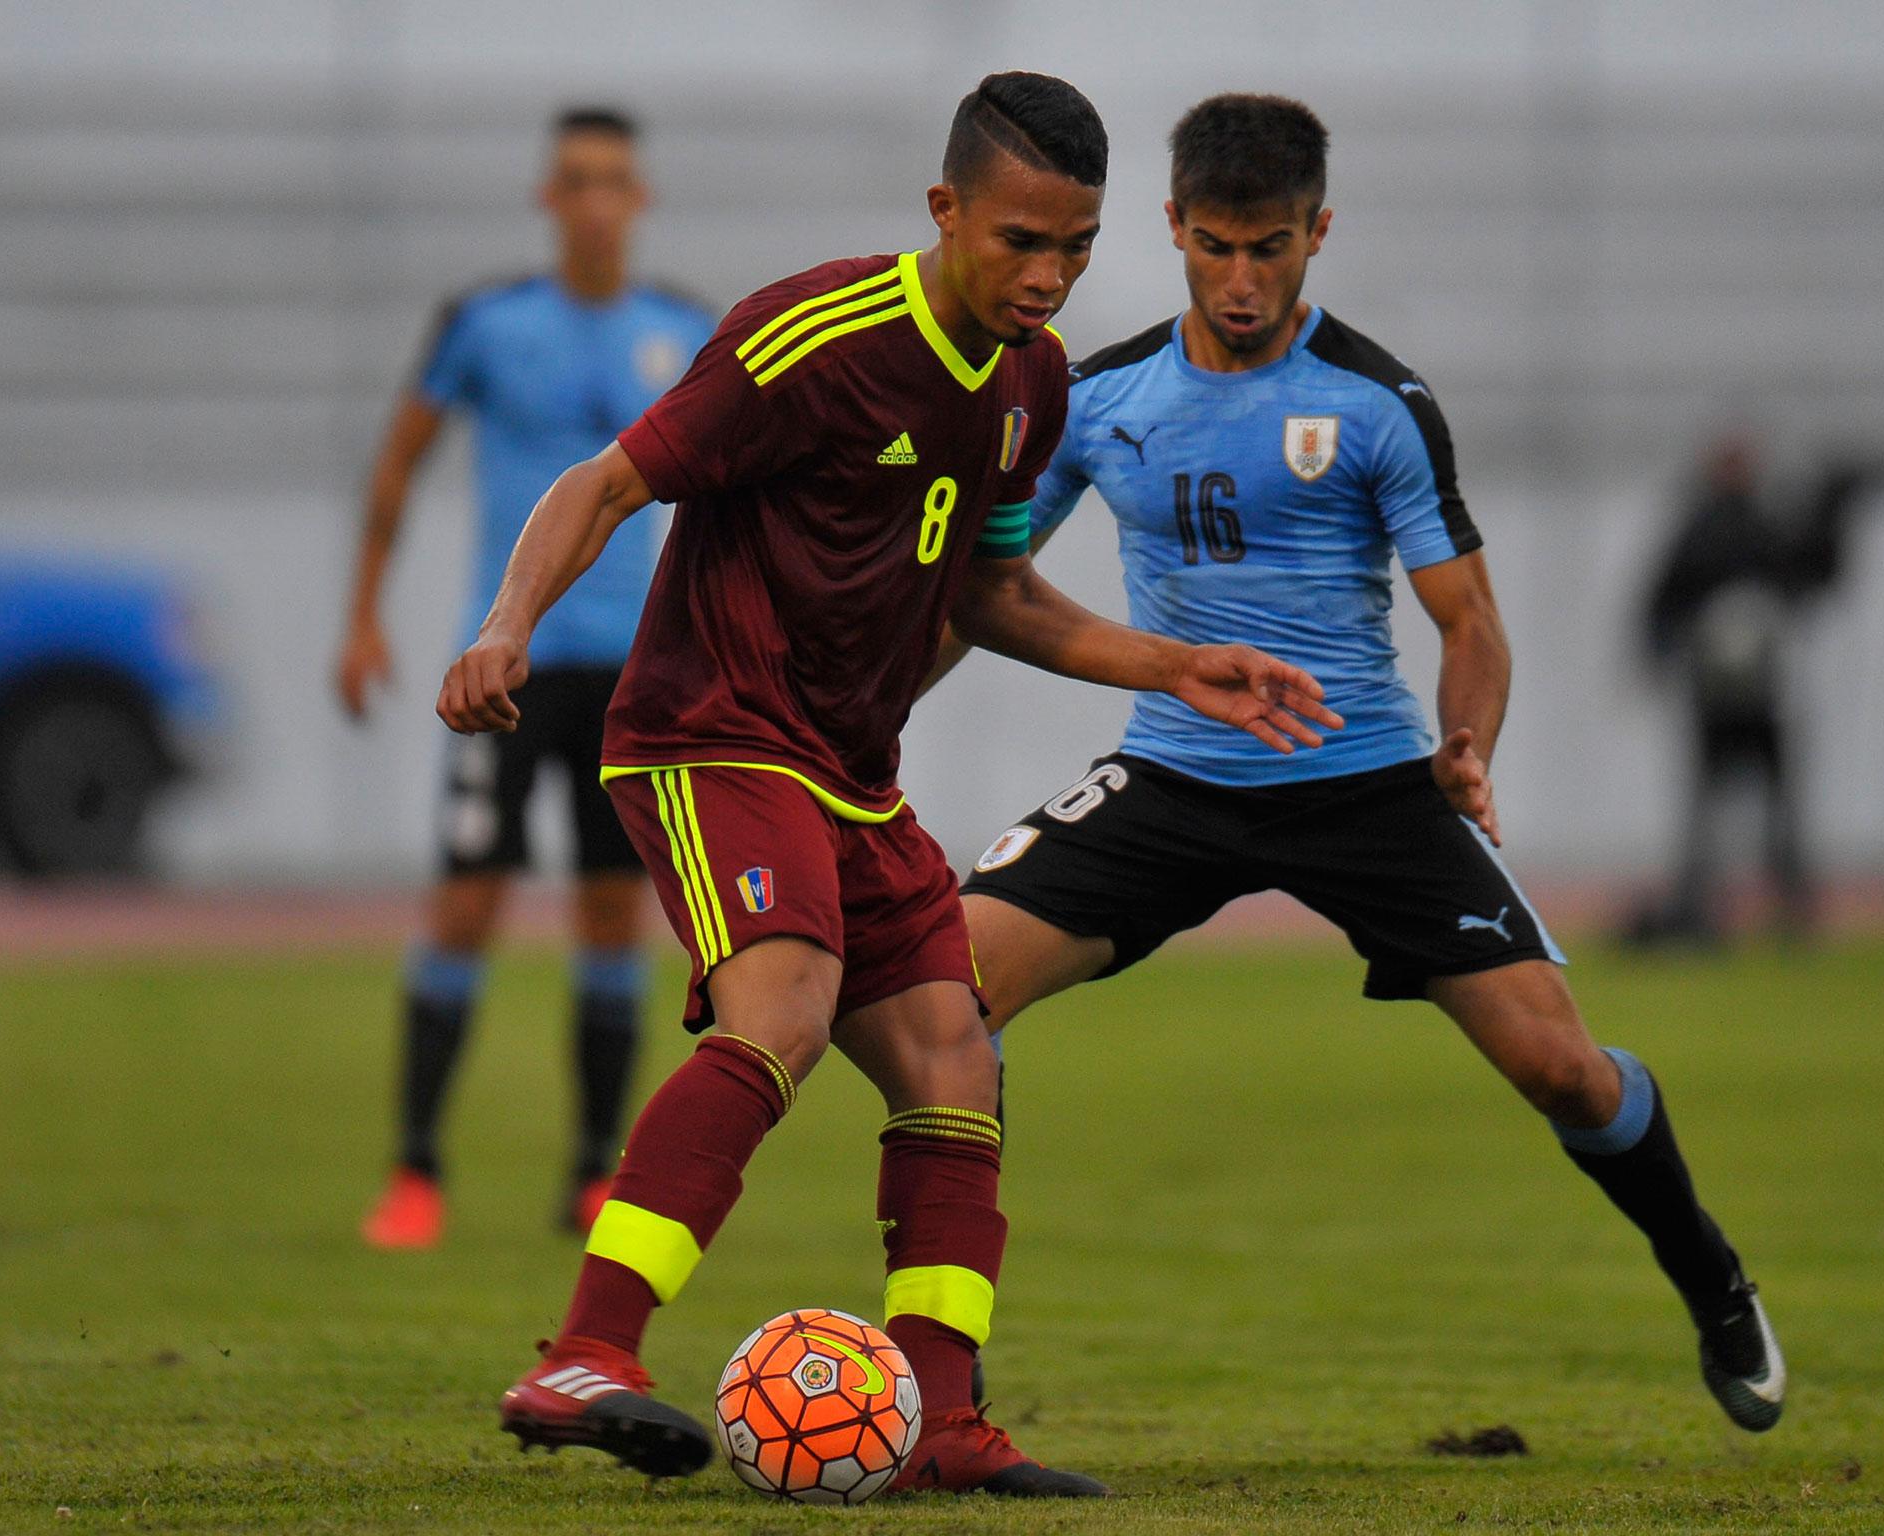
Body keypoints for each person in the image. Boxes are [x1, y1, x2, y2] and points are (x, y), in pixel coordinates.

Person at [436, 73, 1340, 1497]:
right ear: (946, 211)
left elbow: (994, 596)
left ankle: (941, 1422)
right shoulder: (813, 333)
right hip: (708, 733)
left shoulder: (1031, 386)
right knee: (783, 1012)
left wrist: (1173, 665)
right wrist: (504, 627)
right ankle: (584, 1353)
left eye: (1077, 247)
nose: (1046, 276)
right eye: (1019, 240)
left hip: (850, 778)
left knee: (952, 1057)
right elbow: (602, 483)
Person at [941, 94, 1787, 1436]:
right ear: (1170, 227)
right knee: (947, 991)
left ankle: (1713, 1278)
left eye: (1269, 248)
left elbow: (1470, 621)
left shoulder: (1380, 404)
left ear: (1318, 232)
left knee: (1564, 1073)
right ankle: (940, 1366)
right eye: (1215, 246)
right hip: (1176, 773)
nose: (1239, 280)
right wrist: (863, 712)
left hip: (1366, 783)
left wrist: (1469, 744)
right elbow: (984, 587)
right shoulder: (1094, 396)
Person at [336, 107, 719, 1248]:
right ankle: (416, 1172)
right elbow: (400, 462)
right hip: (504, 665)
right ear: (548, 199)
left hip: (631, 675)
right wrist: (362, 616)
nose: (596, 199)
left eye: (614, 180)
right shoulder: (489, 324)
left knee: (611, 912)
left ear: (638, 199)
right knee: (467, 900)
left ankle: (590, 1177)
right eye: (576, 180)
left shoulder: (683, 330)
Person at [1635, 435, 1884, 944]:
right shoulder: (1702, 531)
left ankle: (1790, 907)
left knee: (1777, 805)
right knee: (1710, 807)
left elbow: (1814, 570)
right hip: (1714, 697)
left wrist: (1838, 505)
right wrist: (1662, 653)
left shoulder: (1765, 525)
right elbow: (1662, 599)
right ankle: (1700, 906)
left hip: (1765, 695)